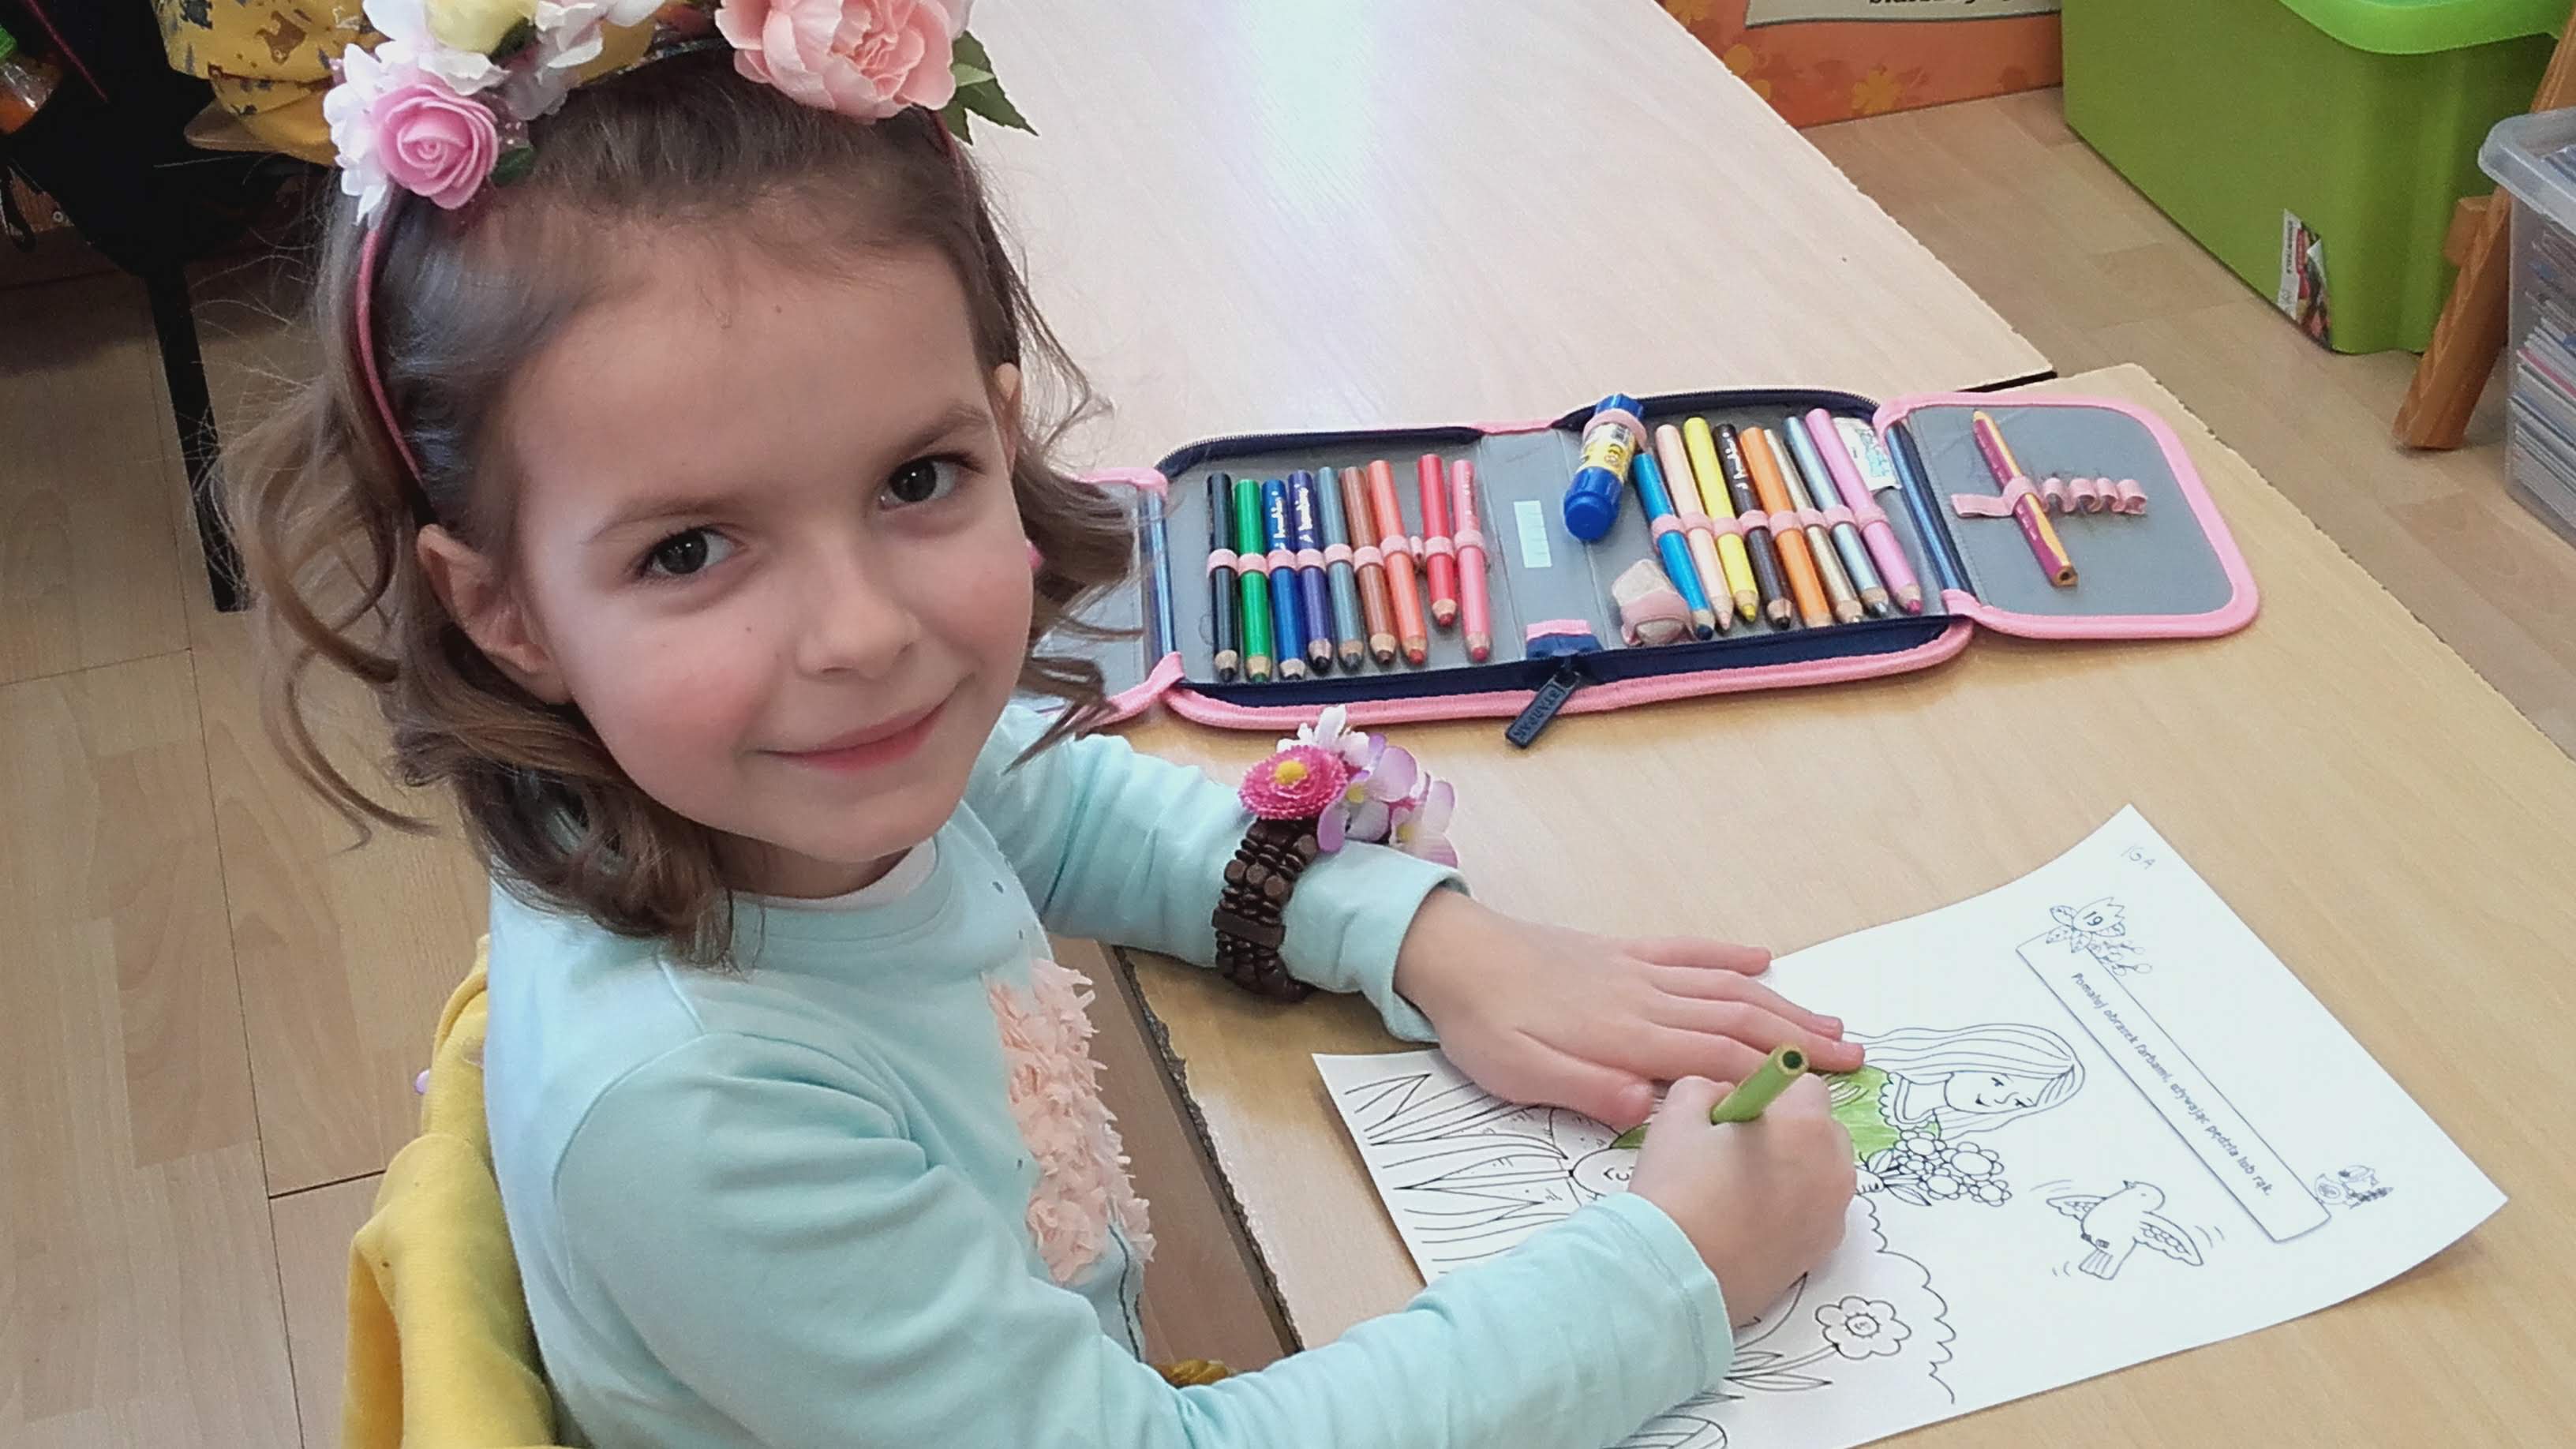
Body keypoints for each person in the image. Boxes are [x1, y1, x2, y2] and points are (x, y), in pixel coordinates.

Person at [231, 5, 1859, 1444]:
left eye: (916, 479)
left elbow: (1061, 807)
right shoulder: (694, 1112)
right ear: (504, 610)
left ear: (999, 434)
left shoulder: (771, 783)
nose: (864, 633)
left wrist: (1423, 939)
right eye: (688, 551)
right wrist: (1676, 1267)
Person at [1829, 1022, 2085, 1160]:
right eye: (1998, 1081)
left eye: (2018, 1102)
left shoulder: (1925, 1138)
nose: (1999, 1099)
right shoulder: (1870, 1079)